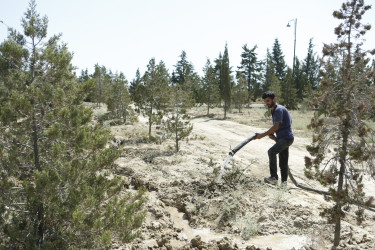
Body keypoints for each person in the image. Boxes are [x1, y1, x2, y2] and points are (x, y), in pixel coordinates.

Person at [255, 91, 294, 185]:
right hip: (285, 138)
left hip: (286, 138)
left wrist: (261, 135)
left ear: (274, 99)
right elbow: (284, 125)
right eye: (265, 101)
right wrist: (275, 138)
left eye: (268, 100)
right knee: (283, 163)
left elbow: (276, 127)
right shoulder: (275, 110)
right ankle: (284, 184)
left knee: (271, 152)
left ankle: (274, 178)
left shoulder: (278, 109)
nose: (266, 103)